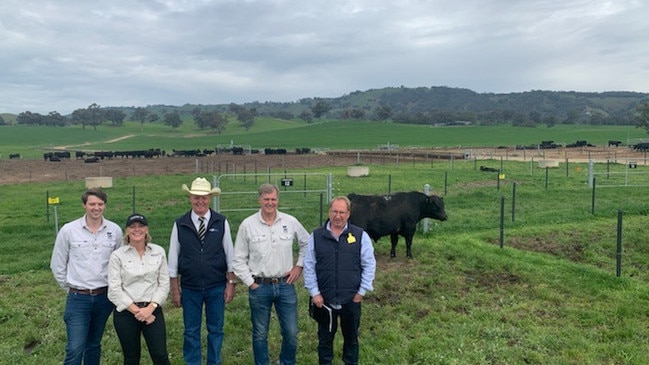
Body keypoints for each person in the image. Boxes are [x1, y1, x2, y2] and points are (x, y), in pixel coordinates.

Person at [233, 183, 310, 365]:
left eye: (273, 199)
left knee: (291, 332)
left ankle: (286, 362)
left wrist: (299, 266)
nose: (270, 203)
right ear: (259, 200)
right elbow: (238, 258)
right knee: (260, 333)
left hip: (285, 285)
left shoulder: (290, 222)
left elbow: (307, 243)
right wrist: (250, 283)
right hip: (259, 286)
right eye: (266, 199)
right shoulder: (248, 225)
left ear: (278, 200)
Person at [168, 177, 237, 365]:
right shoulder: (180, 223)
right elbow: (173, 258)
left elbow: (230, 254)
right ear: (190, 198)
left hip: (216, 286)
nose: (200, 201)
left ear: (210, 198)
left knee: (216, 329)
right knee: (191, 330)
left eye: (204, 197)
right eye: (196, 197)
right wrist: (175, 289)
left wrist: (231, 284)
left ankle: (214, 361)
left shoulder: (221, 222)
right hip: (190, 287)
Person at [50, 188, 124, 365]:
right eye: (92, 204)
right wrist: (70, 287)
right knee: (75, 347)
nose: (96, 208)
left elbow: (119, 262)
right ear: (84, 205)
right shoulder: (69, 230)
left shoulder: (114, 230)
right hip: (78, 298)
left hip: (104, 297)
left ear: (105, 205)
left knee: (93, 344)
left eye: (100, 204)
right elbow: (57, 263)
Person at [303, 196, 376, 365]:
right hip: (324, 300)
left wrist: (362, 291)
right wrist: (314, 293)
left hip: (351, 298)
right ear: (329, 212)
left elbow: (369, 264)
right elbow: (309, 265)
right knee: (324, 341)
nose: (338, 216)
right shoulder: (316, 236)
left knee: (351, 340)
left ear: (348, 214)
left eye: (342, 212)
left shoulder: (360, 236)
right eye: (334, 211)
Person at [108, 213, 170, 365]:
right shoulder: (117, 256)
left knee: (160, 355)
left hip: (152, 309)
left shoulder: (158, 252)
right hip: (126, 313)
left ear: (146, 229)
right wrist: (138, 311)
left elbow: (164, 284)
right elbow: (114, 290)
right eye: (132, 226)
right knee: (131, 357)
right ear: (127, 230)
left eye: (141, 226)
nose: (137, 230)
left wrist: (150, 308)